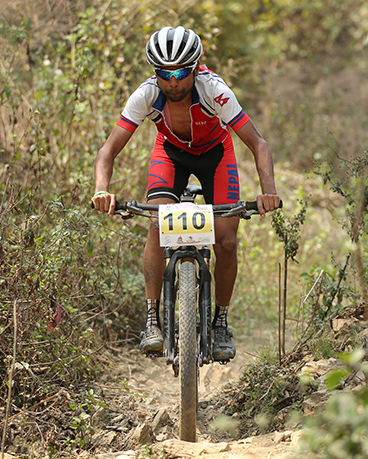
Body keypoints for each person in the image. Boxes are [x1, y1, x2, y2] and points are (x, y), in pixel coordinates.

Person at [90, 26, 282, 360]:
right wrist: (101, 190)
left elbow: (258, 143)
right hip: (171, 154)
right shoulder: (146, 95)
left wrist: (269, 192)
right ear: (156, 73)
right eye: (164, 73)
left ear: (194, 68)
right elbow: (108, 151)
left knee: (226, 240)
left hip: (216, 156)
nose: (173, 81)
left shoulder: (215, 91)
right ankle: (152, 318)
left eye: (180, 73)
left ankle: (220, 321)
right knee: (157, 223)